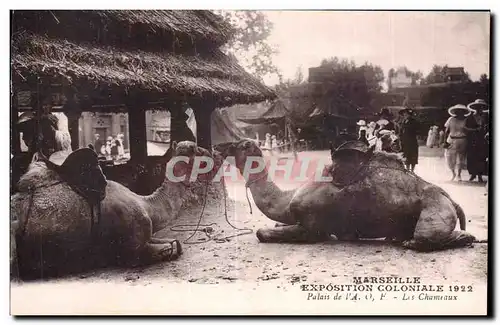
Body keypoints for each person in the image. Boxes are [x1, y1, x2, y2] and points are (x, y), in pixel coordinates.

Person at [444, 104, 471, 181]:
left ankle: (459, 175)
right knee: (449, 157)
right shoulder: (450, 119)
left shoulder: (466, 120)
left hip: (462, 140)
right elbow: (446, 131)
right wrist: (444, 141)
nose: (459, 112)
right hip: (451, 140)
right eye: (458, 111)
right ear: (455, 111)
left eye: (461, 111)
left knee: (461, 158)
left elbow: (468, 130)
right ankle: (453, 173)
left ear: (463, 112)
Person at [465, 99, 489, 182]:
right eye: (477, 107)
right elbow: (466, 128)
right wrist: (475, 129)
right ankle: (473, 174)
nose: (479, 108)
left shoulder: (486, 117)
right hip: (472, 139)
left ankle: (480, 175)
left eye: (481, 107)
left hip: (483, 139)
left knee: (481, 157)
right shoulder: (470, 117)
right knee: (472, 156)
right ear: (474, 108)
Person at [399, 108, 419, 172]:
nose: (405, 115)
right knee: (406, 155)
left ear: (409, 115)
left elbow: (416, 130)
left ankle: (412, 170)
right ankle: (407, 169)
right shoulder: (403, 122)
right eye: (404, 114)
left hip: (412, 141)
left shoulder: (413, 121)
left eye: (406, 114)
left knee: (413, 155)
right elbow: (401, 131)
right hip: (405, 141)